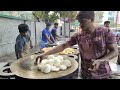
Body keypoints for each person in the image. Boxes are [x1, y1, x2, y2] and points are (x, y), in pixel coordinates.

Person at [35, 11, 118, 79]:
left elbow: (115, 51)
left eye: (83, 21)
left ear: (91, 20)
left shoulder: (105, 32)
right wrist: (44, 54)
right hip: (86, 74)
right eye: (79, 22)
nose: (80, 25)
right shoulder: (78, 35)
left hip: (103, 74)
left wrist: (100, 61)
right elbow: (64, 46)